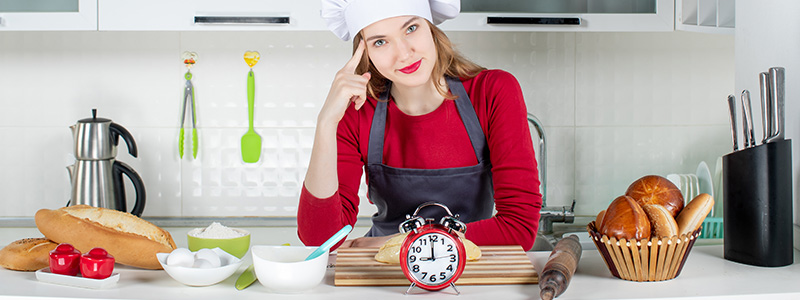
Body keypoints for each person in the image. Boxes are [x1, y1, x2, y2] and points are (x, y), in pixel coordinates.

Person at [298, 0, 542, 251]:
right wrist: (326, 122)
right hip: (383, 275)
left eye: (411, 28)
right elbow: (320, 240)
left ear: (430, 28)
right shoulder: (358, 112)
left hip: (472, 274)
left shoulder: (492, 91)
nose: (404, 54)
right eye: (380, 42)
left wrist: (399, 243)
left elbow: (519, 228)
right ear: (365, 53)